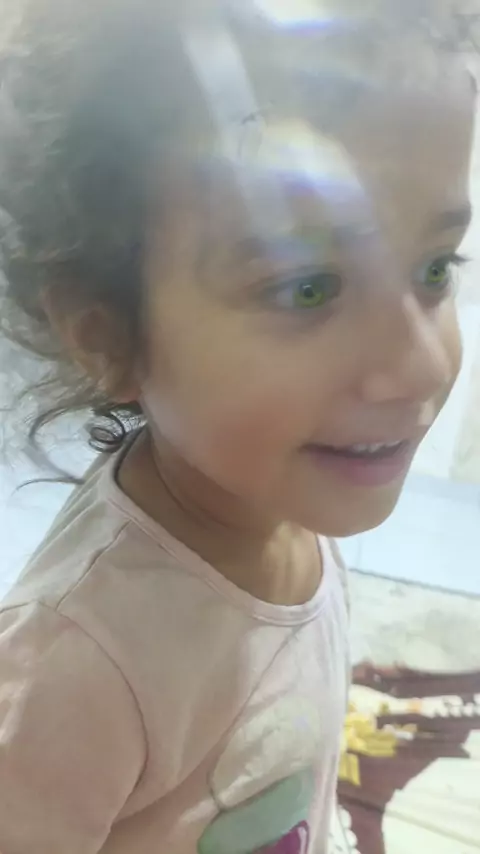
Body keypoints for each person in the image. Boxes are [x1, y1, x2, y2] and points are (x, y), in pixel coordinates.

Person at [0, 2, 475, 852]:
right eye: (308, 287)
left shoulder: (284, 498)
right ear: (109, 336)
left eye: (434, 269)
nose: (420, 365)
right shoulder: (79, 667)